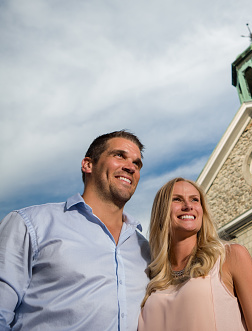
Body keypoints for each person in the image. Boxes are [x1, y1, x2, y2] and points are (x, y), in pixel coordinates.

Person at [0, 130, 151, 331]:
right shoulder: (31, 224)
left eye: (137, 163)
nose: (131, 167)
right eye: (119, 155)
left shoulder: (145, 250)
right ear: (88, 164)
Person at [138, 177, 252, 331]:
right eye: (177, 199)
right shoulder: (149, 276)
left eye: (195, 200)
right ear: (161, 212)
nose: (188, 206)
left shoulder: (230, 257)